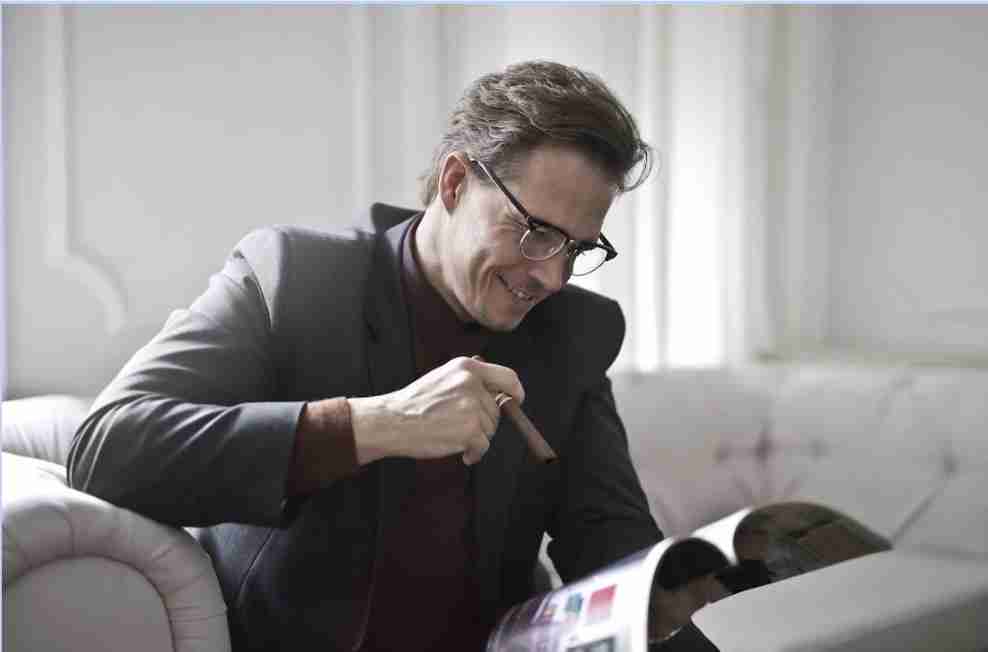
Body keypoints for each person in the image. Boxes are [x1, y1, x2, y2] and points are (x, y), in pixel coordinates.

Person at [68, 60, 717, 651]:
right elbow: (109, 449)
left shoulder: (575, 329)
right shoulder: (295, 277)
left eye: (577, 249)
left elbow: (611, 542)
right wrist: (376, 425)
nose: (551, 276)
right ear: (456, 182)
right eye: (537, 231)